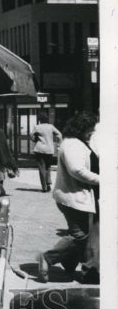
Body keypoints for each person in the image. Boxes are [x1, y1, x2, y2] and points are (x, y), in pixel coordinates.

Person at [36, 112, 100, 283]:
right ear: (81, 128)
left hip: (77, 197)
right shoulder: (72, 144)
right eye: (89, 131)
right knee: (81, 237)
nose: (91, 134)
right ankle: (48, 258)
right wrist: (103, 180)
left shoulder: (78, 142)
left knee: (82, 235)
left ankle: (69, 262)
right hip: (73, 198)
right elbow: (77, 170)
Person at [31, 109, 62, 192]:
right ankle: (48, 183)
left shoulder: (37, 127)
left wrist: (35, 140)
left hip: (39, 149)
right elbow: (59, 134)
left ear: (40, 119)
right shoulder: (51, 127)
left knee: (41, 167)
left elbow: (31, 136)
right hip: (49, 150)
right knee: (48, 167)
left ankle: (44, 186)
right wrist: (58, 144)